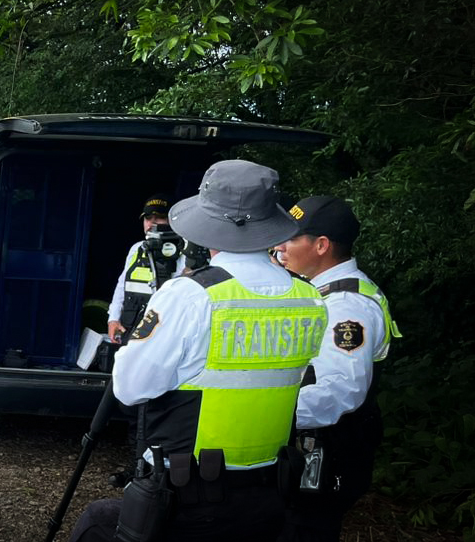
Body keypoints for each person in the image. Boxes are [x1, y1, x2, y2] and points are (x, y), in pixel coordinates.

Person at [70, 160, 328, 542]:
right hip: (268, 492)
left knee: (95, 524)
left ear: (208, 226)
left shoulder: (189, 295)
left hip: (186, 494)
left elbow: (130, 387)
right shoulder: (309, 299)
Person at [275, 196, 399, 542]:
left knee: (304, 529)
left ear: (321, 245)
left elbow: (341, 390)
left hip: (328, 447)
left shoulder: (348, 305)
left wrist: (272, 417)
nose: (280, 247)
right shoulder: (323, 293)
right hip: (318, 443)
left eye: (291, 238)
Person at [107, 194, 185, 343]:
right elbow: (122, 286)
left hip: (164, 330)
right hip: (130, 327)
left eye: (159, 218)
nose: (151, 224)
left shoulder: (183, 253)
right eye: (148, 218)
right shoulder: (136, 249)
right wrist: (113, 319)